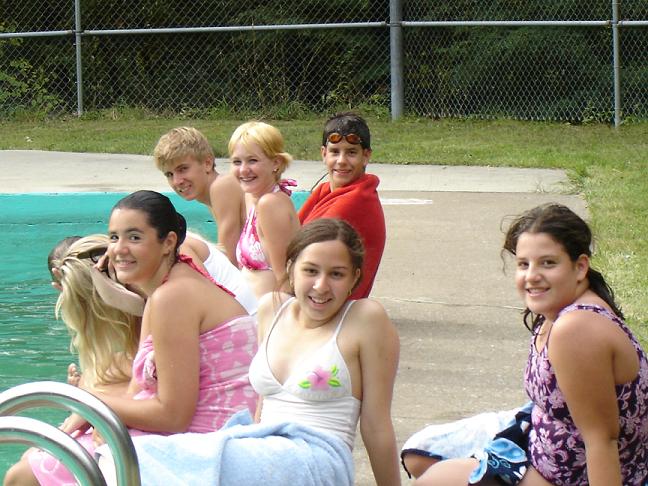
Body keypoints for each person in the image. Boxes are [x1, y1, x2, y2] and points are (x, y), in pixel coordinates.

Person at [97, 218, 401, 486]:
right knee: (126, 455)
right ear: (291, 269)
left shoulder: (364, 319)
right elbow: (262, 407)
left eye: (336, 274)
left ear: (354, 278)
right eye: (311, 271)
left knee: (143, 459)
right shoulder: (272, 309)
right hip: (262, 448)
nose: (321, 286)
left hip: (317, 458)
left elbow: (376, 426)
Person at [4, 191, 259, 486]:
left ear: (168, 242)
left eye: (134, 237)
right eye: (114, 238)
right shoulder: (166, 289)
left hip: (206, 441)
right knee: (39, 459)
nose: (119, 249)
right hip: (194, 434)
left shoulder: (173, 298)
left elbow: (173, 415)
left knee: (25, 474)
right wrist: (99, 417)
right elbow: (138, 390)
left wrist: (92, 402)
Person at [405, 203, 648, 485]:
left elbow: (602, 440)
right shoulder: (560, 307)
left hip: (570, 476)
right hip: (536, 438)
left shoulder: (576, 329)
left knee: (432, 481)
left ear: (580, 266)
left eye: (548, 263)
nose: (532, 276)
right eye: (523, 264)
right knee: (419, 455)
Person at [298, 112, 385, 300]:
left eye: (351, 152)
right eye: (335, 151)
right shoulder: (325, 190)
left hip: (330, 303)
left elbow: (297, 249)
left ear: (366, 156)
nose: (342, 161)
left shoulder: (357, 199)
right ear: (324, 154)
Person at [154, 126, 245, 265]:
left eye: (183, 169)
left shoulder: (221, 187)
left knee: (184, 245)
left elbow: (229, 259)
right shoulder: (212, 194)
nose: (177, 181)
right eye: (169, 174)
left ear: (207, 163)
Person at [229, 121, 300, 299]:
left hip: (268, 310)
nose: (243, 170)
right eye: (237, 162)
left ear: (276, 163)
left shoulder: (270, 204)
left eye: (252, 160)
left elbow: (285, 279)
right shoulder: (252, 198)